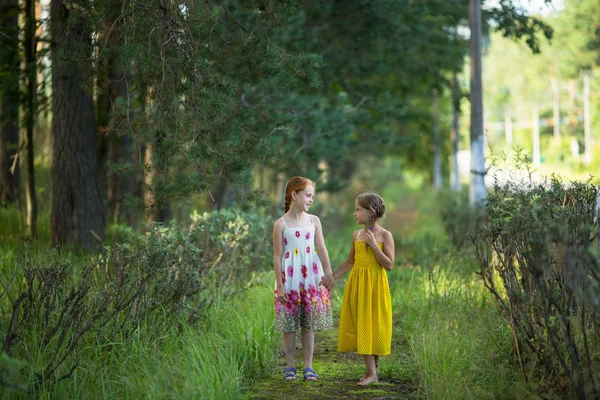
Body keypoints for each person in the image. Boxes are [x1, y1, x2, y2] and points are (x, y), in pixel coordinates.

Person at [323, 192, 394, 386]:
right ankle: (371, 372)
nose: (354, 214)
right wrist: (333, 276)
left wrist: (374, 245)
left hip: (376, 287)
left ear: (370, 212)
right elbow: (351, 261)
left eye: (357, 210)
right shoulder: (356, 235)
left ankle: (373, 370)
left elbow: (388, 265)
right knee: (362, 325)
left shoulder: (385, 235)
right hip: (358, 286)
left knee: (375, 326)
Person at [273, 176, 335, 382]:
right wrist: (280, 286)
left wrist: (328, 274)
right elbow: (277, 256)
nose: (311, 199)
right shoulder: (280, 224)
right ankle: (290, 366)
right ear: (294, 195)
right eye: (308, 195)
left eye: (312, 196)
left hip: (310, 278)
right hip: (289, 280)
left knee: (308, 325)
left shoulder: (314, 220)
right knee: (289, 325)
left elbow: (322, 249)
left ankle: (308, 367)